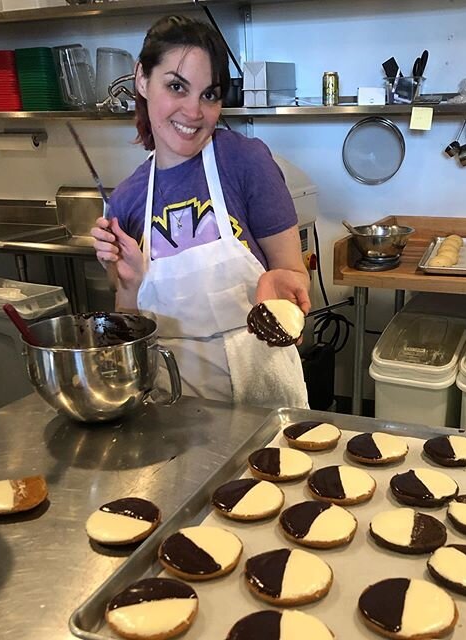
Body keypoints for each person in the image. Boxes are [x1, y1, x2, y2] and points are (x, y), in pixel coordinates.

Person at [91, 15, 310, 408]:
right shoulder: (126, 200)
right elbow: (129, 327)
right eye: (177, 87)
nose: (194, 112)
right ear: (142, 79)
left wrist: (286, 292)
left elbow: (293, 275)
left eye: (209, 94)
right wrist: (127, 285)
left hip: (263, 394)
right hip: (174, 406)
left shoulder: (245, 162)